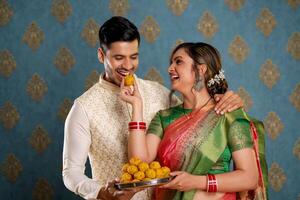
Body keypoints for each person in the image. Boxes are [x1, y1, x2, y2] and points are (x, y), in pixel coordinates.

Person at [62, 16, 244, 200]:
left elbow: (196, 119)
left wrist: (224, 99)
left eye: (133, 57)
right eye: (118, 58)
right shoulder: (84, 107)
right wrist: (102, 192)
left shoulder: (159, 93)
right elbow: (71, 173)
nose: (127, 65)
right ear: (101, 55)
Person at [120, 42, 268, 200]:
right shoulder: (164, 117)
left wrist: (196, 182)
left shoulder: (228, 114)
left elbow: (250, 178)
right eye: (171, 62)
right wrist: (136, 105)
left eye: (178, 61)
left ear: (201, 69)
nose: (170, 68)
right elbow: (139, 160)